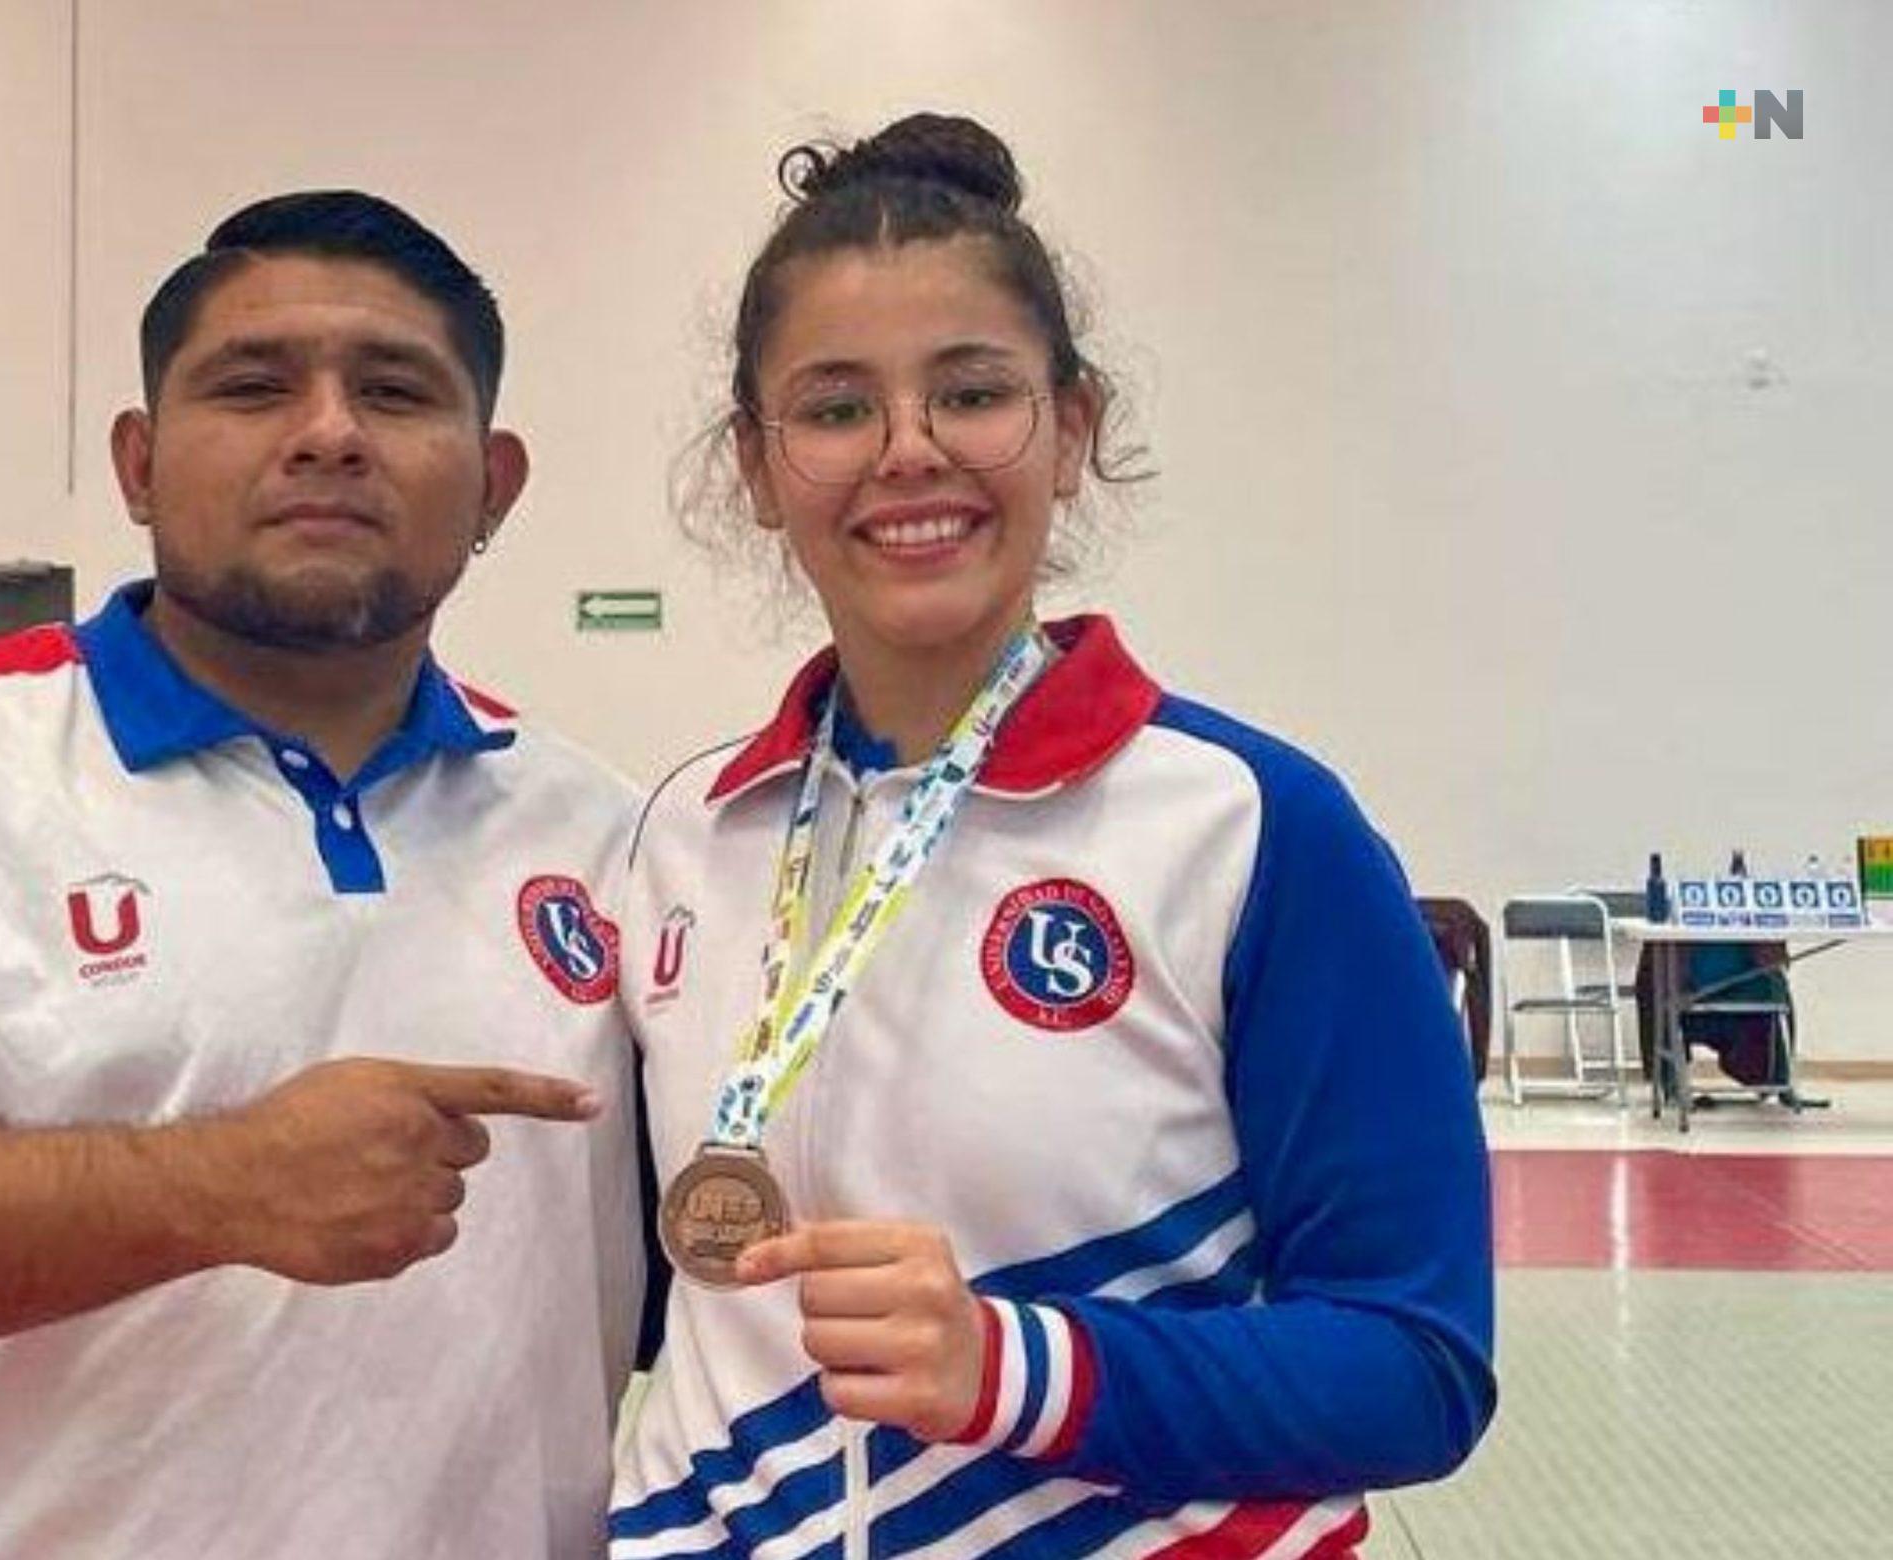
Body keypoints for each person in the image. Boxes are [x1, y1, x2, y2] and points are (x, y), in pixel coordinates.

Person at [0, 191, 643, 1559]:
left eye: (396, 392)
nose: (329, 432)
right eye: (253, 386)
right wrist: (218, 1186)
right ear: (139, 464)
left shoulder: (604, 827)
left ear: (494, 485)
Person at [612, 115, 1495, 1559]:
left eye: (971, 394)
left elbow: (1418, 1364)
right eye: (834, 409)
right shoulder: (682, 835)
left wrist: (1019, 1368)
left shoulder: (1250, 828)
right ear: (757, 469)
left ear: (1071, 430)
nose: (907, 452)